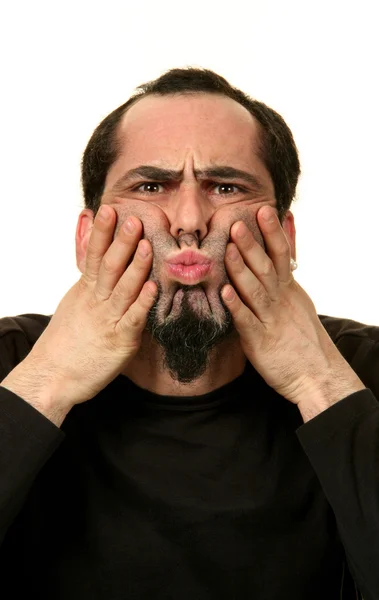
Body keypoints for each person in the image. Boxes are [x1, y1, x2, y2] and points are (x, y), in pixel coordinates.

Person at [0, 67, 378, 600]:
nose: (189, 219)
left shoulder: (362, 374)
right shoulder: (10, 365)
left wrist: (319, 381)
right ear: (87, 237)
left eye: (226, 187)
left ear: (285, 236)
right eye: (150, 185)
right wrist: (46, 383)